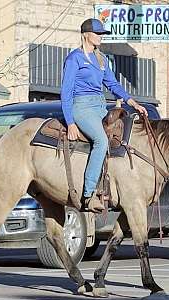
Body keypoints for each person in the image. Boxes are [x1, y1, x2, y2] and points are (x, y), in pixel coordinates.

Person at [61, 18, 147, 212]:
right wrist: (70, 122)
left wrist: (132, 102)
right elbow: (66, 92)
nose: (101, 37)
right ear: (86, 35)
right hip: (81, 107)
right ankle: (89, 195)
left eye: (102, 34)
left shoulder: (101, 59)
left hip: (100, 105)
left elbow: (113, 85)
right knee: (101, 140)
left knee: (123, 135)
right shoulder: (74, 58)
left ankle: (117, 186)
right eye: (98, 34)